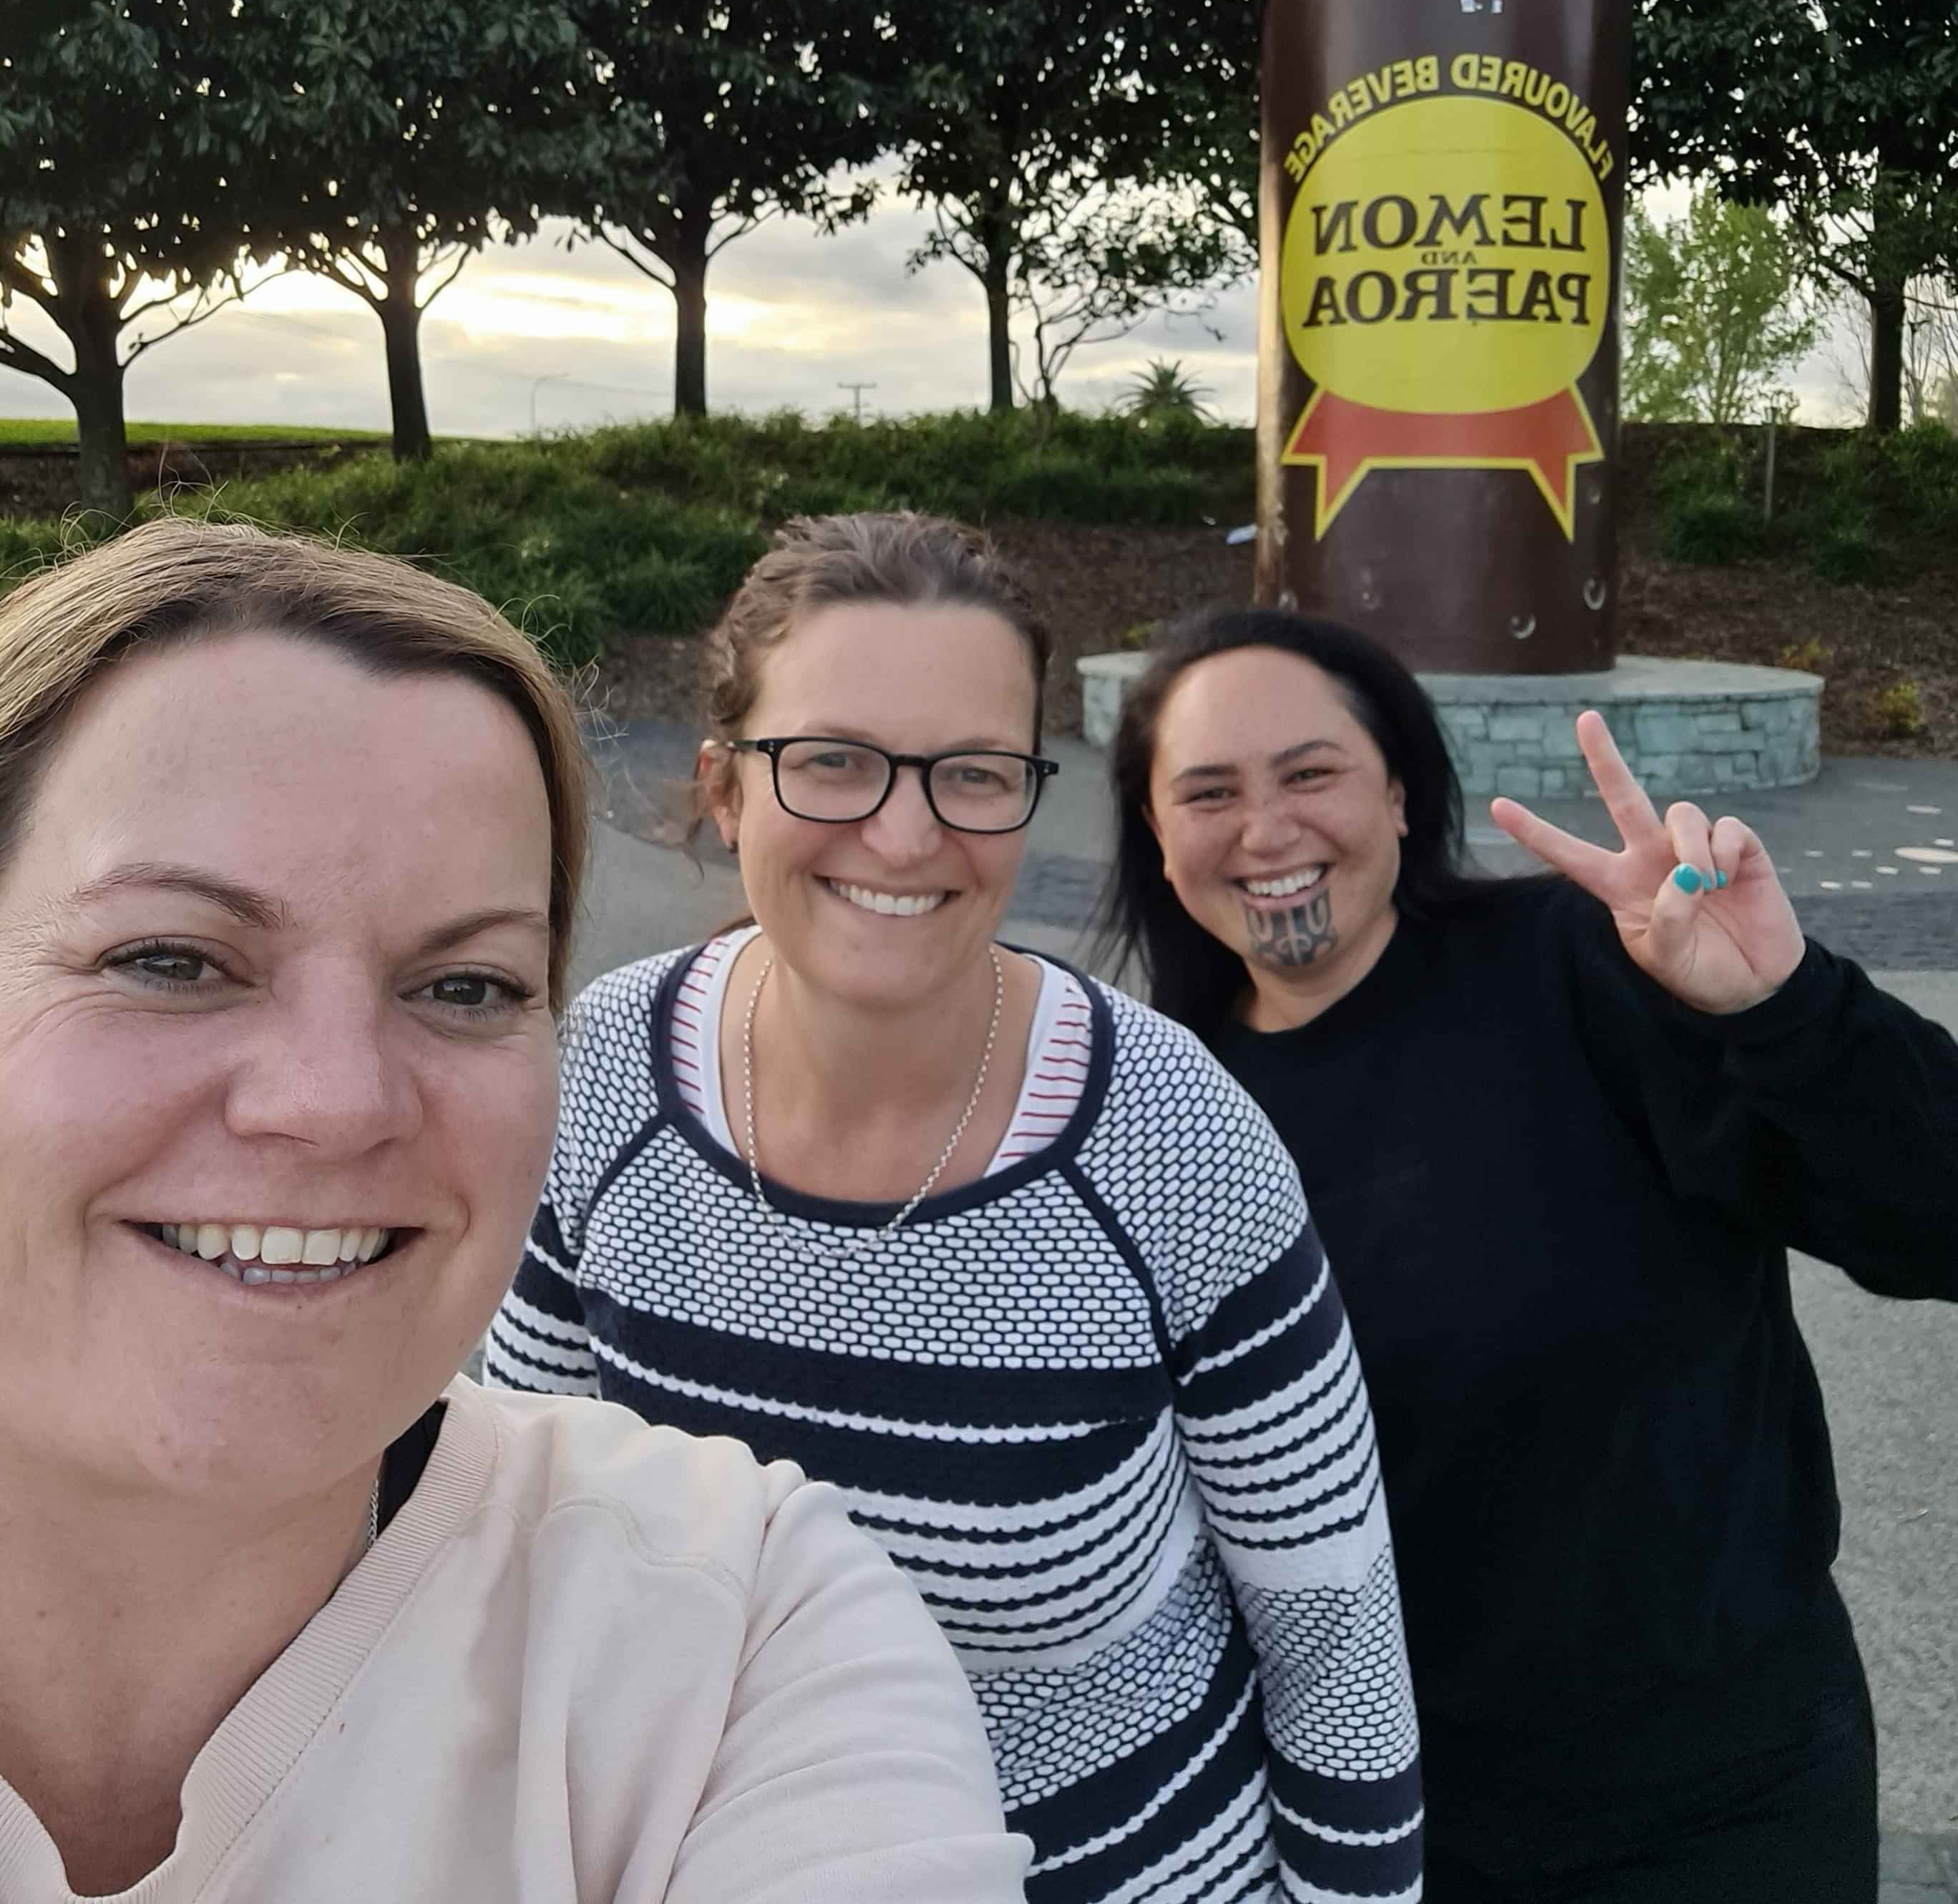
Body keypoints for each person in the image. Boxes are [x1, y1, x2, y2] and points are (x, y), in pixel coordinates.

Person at [0, 516, 1028, 1904]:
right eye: (172, 959)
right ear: (724, 793)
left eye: (467, 985)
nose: (333, 1100)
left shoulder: (737, 1629)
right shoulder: (623, 1062)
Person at [487, 512, 1424, 1904]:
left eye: (972, 774)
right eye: (831, 763)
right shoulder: (607, 1068)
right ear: (725, 788)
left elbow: (1335, 1631)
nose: (906, 832)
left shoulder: (1173, 1137)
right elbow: (512, 1499)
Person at [1104, 605, 1958, 1904]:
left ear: (1400, 793)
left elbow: (1935, 1217)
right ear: (1160, 845)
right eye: (1208, 792)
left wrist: (1787, 1011)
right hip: (1360, 1834)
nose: (1266, 831)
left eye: (1311, 773)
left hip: (1706, 1815)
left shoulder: (1592, 972)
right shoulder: (1154, 1113)